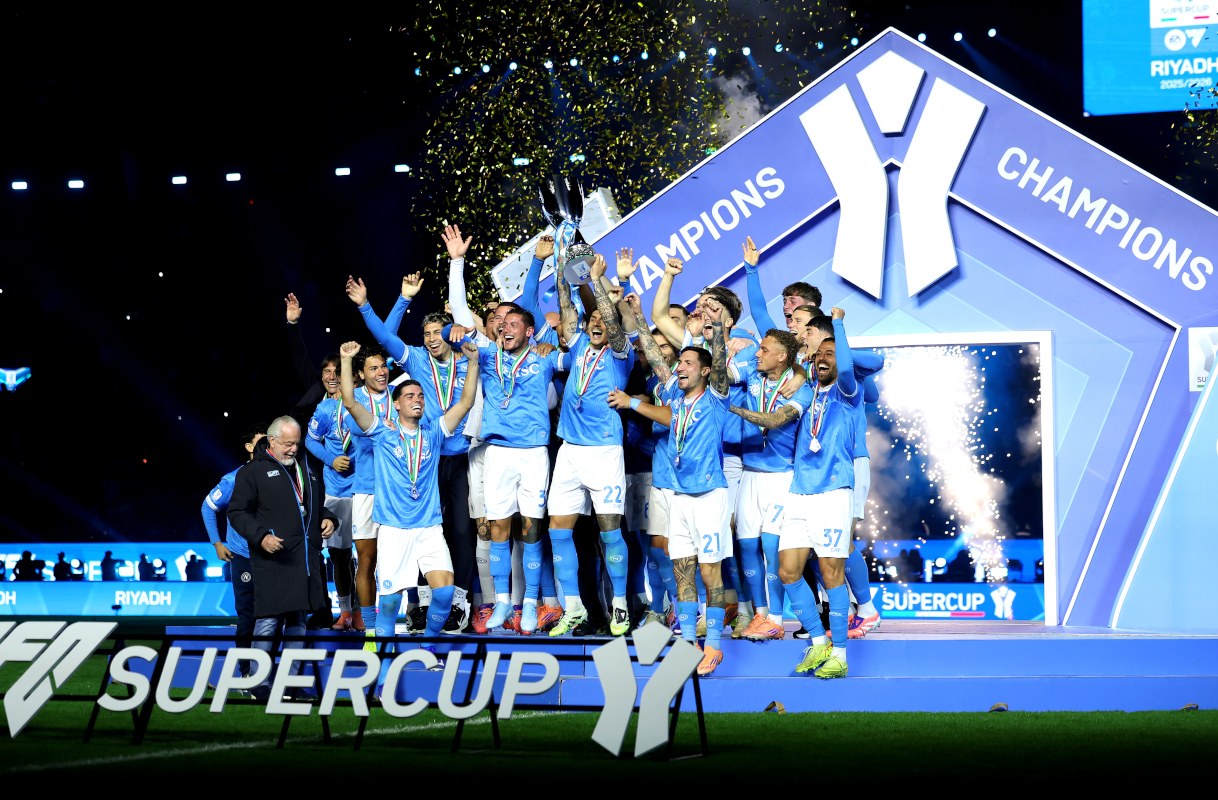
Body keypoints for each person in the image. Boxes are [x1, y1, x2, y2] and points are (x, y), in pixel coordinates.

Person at [349, 231, 477, 634]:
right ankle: (418, 608)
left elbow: (470, 395)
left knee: (462, 532)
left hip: (464, 454)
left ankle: (459, 604)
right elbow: (385, 337)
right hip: (427, 456)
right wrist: (395, 301)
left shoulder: (468, 352)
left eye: (436, 333)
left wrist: (457, 263)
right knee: (421, 528)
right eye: (425, 335)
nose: (429, 339)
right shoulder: (417, 360)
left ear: (450, 333)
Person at [338, 337, 480, 660]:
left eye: (420, 396)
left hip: (429, 528)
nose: (416, 399)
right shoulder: (382, 433)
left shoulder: (434, 432)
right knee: (388, 605)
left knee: (444, 594)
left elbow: (466, 402)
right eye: (409, 396)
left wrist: (472, 362)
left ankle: (429, 644)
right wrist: (347, 361)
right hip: (394, 531)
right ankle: (384, 669)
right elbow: (349, 402)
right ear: (396, 404)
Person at [610, 304, 733, 676]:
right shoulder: (673, 397)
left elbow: (722, 366)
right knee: (682, 573)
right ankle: (688, 647)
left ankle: (713, 646)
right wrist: (640, 319)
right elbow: (652, 354)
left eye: (688, 364)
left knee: (711, 576)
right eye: (679, 364)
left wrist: (718, 332)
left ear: (706, 371)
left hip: (709, 496)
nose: (680, 367)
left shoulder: (716, 397)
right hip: (678, 497)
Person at [445, 287, 568, 634]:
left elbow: (575, 358)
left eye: (514, 323)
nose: (506, 328)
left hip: (533, 456)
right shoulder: (487, 355)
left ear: (529, 331)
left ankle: (530, 604)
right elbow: (452, 333)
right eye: (503, 324)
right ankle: (502, 601)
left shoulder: (543, 357)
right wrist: (448, 331)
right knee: (497, 530)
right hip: (496, 452)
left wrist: (555, 343)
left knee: (530, 532)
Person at [542, 251, 637, 636]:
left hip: (604, 451)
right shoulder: (580, 344)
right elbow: (570, 309)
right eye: (593, 318)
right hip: (569, 450)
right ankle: (576, 608)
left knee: (609, 531)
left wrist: (600, 285)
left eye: (603, 318)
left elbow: (613, 324)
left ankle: (619, 607)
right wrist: (566, 267)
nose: (598, 322)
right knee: (558, 530)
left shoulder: (621, 353)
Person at [227, 415, 337, 701]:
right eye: (288, 444)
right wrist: (261, 536)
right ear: (272, 441)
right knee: (267, 621)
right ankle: (258, 682)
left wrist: (327, 519)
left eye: (297, 444)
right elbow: (237, 512)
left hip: (304, 560)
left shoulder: (305, 468)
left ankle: (290, 682)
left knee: (298, 622)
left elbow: (312, 505)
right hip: (273, 559)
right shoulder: (252, 472)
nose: (293, 449)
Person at [780, 309, 860, 680]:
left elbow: (845, 362)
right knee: (788, 571)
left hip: (833, 492)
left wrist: (838, 327)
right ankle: (818, 642)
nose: (824, 358)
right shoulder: (807, 391)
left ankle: (840, 654)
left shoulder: (849, 393)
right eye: (819, 354)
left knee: (831, 573)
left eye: (831, 353)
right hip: (799, 491)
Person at [725, 326, 811, 641]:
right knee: (746, 544)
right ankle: (760, 616)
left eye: (764, 349)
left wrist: (733, 409)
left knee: (771, 545)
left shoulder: (801, 388)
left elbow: (775, 421)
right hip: (749, 473)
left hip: (782, 476)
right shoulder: (753, 375)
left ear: (782, 356)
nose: (757, 354)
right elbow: (721, 377)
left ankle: (776, 617)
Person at [619, 301, 683, 631]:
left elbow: (671, 419)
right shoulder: (655, 386)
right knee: (653, 549)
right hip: (655, 475)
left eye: (664, 346)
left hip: (680, 480)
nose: (658, 352)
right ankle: (660, 609)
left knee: (672, 551)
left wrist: (635, 404)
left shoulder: (680, 386)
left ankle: (684, 610)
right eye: (653, 347)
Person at [303, 359, 362, 632]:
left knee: (366, 556)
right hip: (337, 491)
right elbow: (309, 440)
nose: (332, 377)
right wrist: (331, 459)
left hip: (365, 488)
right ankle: (346, 611)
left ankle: (363, 611)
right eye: (327, 372)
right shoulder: (324, 409)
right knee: (339, 555)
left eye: (338, 372)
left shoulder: (364, 400)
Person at [202, 422, 266, 666]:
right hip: (244, 557)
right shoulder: (233, 479)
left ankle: (271, 671)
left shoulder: (282, 475)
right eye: (261, 441)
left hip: (274, 557)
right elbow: (208, 506)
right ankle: (246, 671)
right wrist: (217, 543)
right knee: (248, 616)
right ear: (249, 447)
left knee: (274, 617)